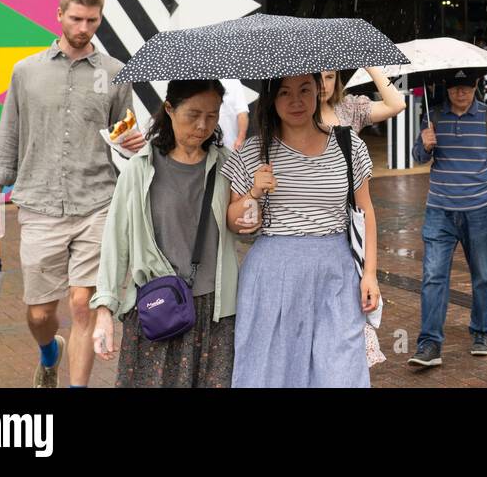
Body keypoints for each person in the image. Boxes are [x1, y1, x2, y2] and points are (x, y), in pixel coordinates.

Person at [0, 0, 144, 388]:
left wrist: (132, 142)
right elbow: (9, 135)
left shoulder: (113, 74)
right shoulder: (26, 71)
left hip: (97, 202)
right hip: (38, 204)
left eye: (92, 20)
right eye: (76, 18)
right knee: (39, 314)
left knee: (83, 304)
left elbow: (123, 136)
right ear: (59, 15)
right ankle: (48, 351)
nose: (83, 27)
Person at [221, 73, 381, 387]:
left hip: (336, 273)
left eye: (304, 90)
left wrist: (370, 274)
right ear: (271, 99)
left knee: (341, 373)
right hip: (272, 277)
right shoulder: (253, 152)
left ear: (318, 90)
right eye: (284, 92)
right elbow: (235, 223)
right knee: (272, 373)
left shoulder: (348, 144)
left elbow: (366, 211)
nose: (296, 101)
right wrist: (254, 193)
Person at [91, 80, 241, 387]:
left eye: (212, 116)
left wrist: (254, 199)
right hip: (158, 309)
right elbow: (115, 241)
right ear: (169, 109)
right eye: (193, 114)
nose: (203, 126)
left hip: (215, 313)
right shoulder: (140, 169)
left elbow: (243, 227)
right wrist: (104, 310)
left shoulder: (227, 164)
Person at [407, 71, 487, 367]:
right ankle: (429, 343)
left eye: (466, 88)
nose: (461, 93)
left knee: (482, 275)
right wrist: (424, 143)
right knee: (433, 277)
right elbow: (418, 157)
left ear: (475, 87)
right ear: (447, 89)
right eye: (455, 88)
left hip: (479, 211)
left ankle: (481, 331)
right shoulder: (434, 117)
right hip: (439, 210)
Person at [319, 66, 406, 134]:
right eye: (317, 78)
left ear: (336, 79)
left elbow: (396, 105)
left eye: (329, 77)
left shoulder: (349, 107)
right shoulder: (305, 114)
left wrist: (369, 65)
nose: (323, 85)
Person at [218, 78, 250, 151]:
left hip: (229, 145)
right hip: (203, 145)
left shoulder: (233, 82)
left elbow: (242, 113)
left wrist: (240, 139)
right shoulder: (198, 80)